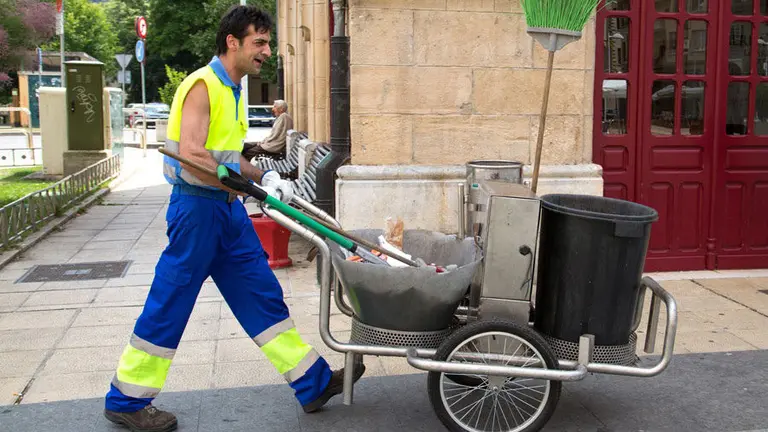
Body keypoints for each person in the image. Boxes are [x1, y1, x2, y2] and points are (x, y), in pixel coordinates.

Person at [102, 6, 364, 432]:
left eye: (267, 43)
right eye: (259, 42)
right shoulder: (203, 85)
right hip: (197, 211)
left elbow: (230, 157)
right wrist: (249, 190)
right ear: (232, 42)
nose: (266, 51)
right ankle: (127, 399)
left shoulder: (234, 89)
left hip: (226, 212)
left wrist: (268, 177)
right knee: (172, 301)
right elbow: (192, 155)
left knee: (261, 295)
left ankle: (311, 383)